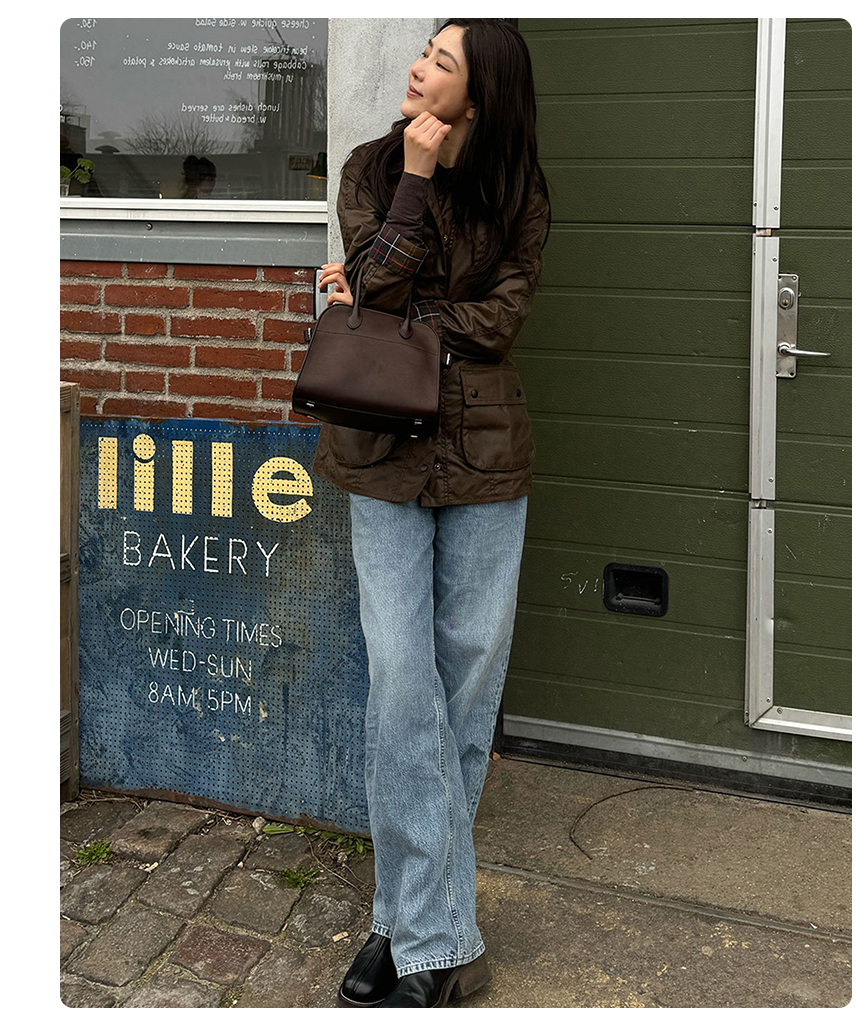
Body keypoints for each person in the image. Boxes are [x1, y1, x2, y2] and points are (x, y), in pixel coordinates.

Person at [311, 19, 550, 1009]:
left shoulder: (516, 189)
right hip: (381, 457)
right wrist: (412, 178)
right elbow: (371, 283)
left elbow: (500, 321)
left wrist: (395, 318)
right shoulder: (371, 170)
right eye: (424, 52)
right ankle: (443, 938)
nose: (419, 67)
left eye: (443, 62)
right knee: (404, 685)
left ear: (481, 94)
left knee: (463, 687)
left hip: (487, 459)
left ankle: (396, 922)